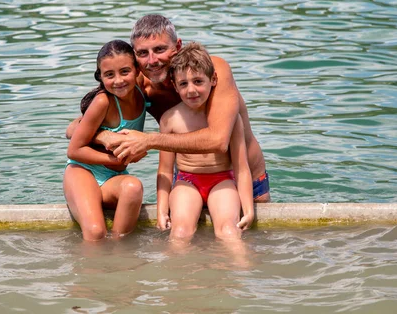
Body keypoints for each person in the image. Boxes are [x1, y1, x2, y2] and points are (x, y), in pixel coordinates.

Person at [66, 14, 270, 202]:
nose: (152, 61)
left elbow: (218, 140)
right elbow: (74, 128)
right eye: (143, 53)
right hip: (189, 182)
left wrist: (149, 140)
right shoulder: (135, 85)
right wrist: (105, 136)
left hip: (243, 178)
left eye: (160, 49)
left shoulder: (211, 72)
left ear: (178, 46)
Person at [156, 42, 254, 242]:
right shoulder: (170, 119)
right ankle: (178, 274)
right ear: (174, 86)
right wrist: (161, 208)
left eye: (198, 81)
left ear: (214, 79)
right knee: (180, 232)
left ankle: (243, 272)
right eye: (183, 84)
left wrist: (249, 209)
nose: (191, 90)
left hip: (222, 180)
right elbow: (165, 170)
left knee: (228, 231)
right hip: (186, 181)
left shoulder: (229, 119)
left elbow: (242, 168)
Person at [64, 40, 148, 241]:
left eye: (125, 71)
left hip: (113, 178)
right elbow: (74, 150)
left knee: (133, 187)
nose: (118, 81)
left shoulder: (142, 90)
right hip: (83, 172)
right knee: (95, 232)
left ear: (137, 70)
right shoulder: (103, 101)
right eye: (109, 75)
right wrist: (117, 160)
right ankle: (93, 267)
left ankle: (119, 255)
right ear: (100, 77)